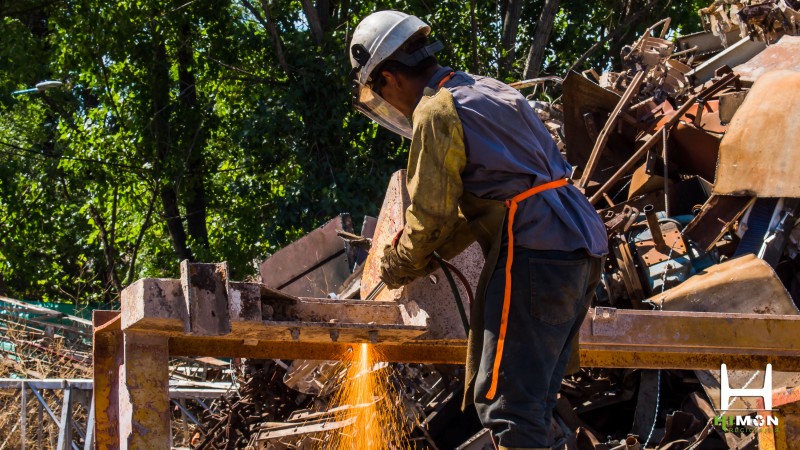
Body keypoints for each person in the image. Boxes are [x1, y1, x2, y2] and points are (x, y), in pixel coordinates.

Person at [349, 11, 608, 450]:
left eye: (380, 92)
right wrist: (434, 251)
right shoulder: (489, 90)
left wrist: (397, 265)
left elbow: (428, 218)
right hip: (581, 243)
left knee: (508, 407)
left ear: (388, 77)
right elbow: (488, 204)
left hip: (536, 250)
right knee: (534, 403)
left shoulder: (436, 111)